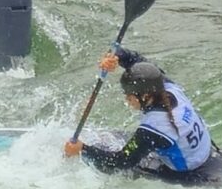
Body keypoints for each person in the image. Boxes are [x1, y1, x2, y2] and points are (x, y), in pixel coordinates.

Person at [63, 50, 214, 177]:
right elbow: (137, 62)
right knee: (115, 138)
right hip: (203, 153)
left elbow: (120, 162)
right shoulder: (167, 87)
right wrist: (116, 56)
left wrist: (83, 149)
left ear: (145, 97)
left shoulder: (156, 127)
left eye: (129, 96)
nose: (126, 99)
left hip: (186, 171)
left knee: (103, 162)